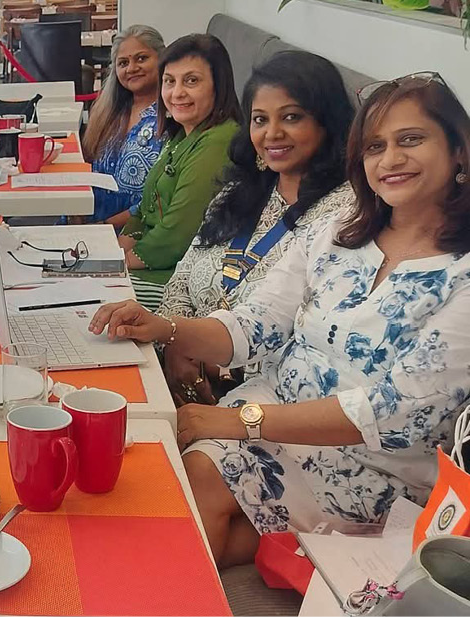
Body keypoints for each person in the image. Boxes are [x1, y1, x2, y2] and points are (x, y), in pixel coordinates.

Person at [90, 72, 470, 568]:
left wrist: (238, 422)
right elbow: (257, 322)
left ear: (459, 150)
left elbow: (397, 413)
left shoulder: (461, 273)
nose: (390, 159)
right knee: (159, 486)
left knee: (191, 483)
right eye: (375, 146)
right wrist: (164, 329)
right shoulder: (339, 231)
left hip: (374, 467)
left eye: (411, 140)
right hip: (271, 414)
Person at [159, 51, 358, 407]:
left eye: (292, 117)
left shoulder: (346, 213)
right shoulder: (239, 191)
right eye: (260, 119)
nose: (272, 133)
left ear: (328, 122)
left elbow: (306, 332)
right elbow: (182, 276)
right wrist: (176, 344)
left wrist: (212, 364)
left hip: (263, 399)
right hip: (177, 365)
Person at [120, 34, 241, 310]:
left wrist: (119, 263)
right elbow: (144, 208)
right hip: (154, 262)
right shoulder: (183, 135)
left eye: (192, 81)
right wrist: (116, 250)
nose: (177, 93)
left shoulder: (218, 141)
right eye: (169, 81)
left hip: (176, 277)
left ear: (218, 86)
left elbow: (179, 234)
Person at [81, 25, 166, 228]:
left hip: (134, 233)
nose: (132, 68)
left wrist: (106, 225)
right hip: (88, 222)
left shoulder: (173, 116)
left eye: (142, 58)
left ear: (162, 59)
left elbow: (163, 198)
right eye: (123, 63)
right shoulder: (108, 111)